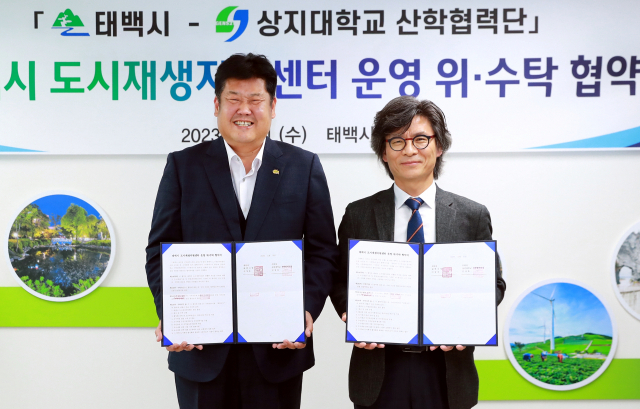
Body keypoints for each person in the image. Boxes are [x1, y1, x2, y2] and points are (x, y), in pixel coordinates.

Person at [145, 53, 338, 409]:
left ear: (273, 106)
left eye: (255, 100)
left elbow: (323, 251)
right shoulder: (184, 166)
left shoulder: (303, 166)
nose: (244, 110)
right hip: (201, 351)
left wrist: (306, 310)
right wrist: (172, 312)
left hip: (277, 351)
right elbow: (159, 250)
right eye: (233, 99)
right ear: (217, 105)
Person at [329, 96, 507, 409]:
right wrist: (351, 313)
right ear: (384, 152)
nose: (409, 150)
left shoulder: (471, 215)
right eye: (397, 141)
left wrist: (469, 319)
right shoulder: (359, 214)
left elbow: (494, 284)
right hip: (380, 368)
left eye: (421, 139)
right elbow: (339, 280)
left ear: (439, 147)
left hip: (447, 369)